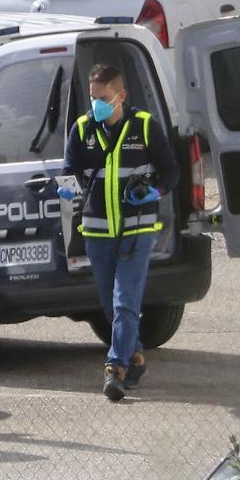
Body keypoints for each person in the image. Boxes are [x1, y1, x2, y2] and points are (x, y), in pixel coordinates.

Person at [60, 64, 178, 402]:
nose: (96, 104)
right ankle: (135, 355)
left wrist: (154, 191)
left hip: (136, 230)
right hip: (97, 232)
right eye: (93, 98)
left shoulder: (144, 127)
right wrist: (69, 189)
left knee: (125, 300)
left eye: (103, 98)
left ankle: (116, 369)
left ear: (121, 96)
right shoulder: (82, 130)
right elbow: (70, 171)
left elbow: (171, 171)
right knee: (111, 306)